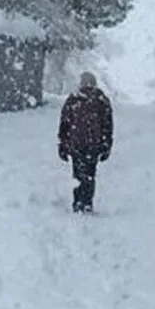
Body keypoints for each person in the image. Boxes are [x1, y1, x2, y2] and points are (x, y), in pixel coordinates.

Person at [58, 72, 113, 214]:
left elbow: (64, 124)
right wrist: (107, 145)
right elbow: (108, 125)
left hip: (76, 144)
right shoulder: (101, 100)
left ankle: (78, 203)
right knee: (90, 175)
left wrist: (62, 145)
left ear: (81, 83)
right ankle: (87, 203)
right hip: (94, 145)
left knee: (78, 174)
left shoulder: (73, 99)